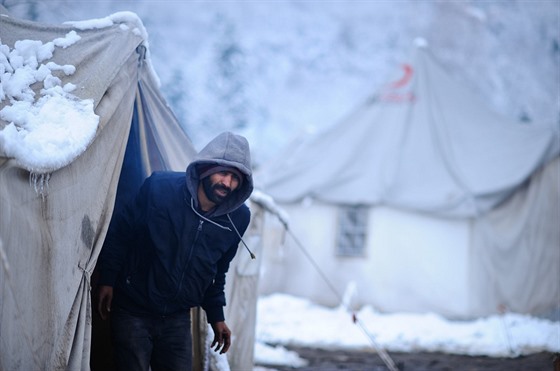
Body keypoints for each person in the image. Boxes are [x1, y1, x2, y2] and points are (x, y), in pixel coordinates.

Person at [96, 131, 254, 371]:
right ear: (206, 170)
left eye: (235, 178)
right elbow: (121, 233)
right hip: (133, 307)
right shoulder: (160, 189)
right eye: (223, 173)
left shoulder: (238, 218)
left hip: (177, 318)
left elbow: (217, 270)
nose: (227, 183)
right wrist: (107, 279)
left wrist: (216, 316)